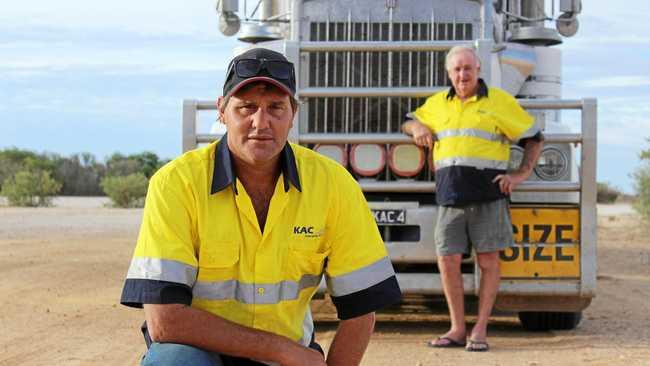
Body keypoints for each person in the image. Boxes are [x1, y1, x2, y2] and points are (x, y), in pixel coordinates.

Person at [120, 48, 402, 366]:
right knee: (172, 361)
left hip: (289, 360)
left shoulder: (334, 185)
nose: (260, 122)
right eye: (247, 107)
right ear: (222, 111)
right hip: (204, 354)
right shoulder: (176, 184)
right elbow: (165, 321)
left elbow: (361, 311)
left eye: (275, 108)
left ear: (293, 114)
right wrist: (283, 350)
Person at [402, 46, 543, 352]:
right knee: (447, 260)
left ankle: (480, 330)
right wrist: (418, 127)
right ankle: (456, 329)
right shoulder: (438, 104)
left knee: (488, 262)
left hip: (489, 196)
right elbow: (408, 120)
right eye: (456, 70)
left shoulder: (500, 102)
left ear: (478, 69)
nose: (462, 75)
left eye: (468, 68)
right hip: (450, 197)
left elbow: (534, 137)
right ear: (449, 73)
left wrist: (520, 175)